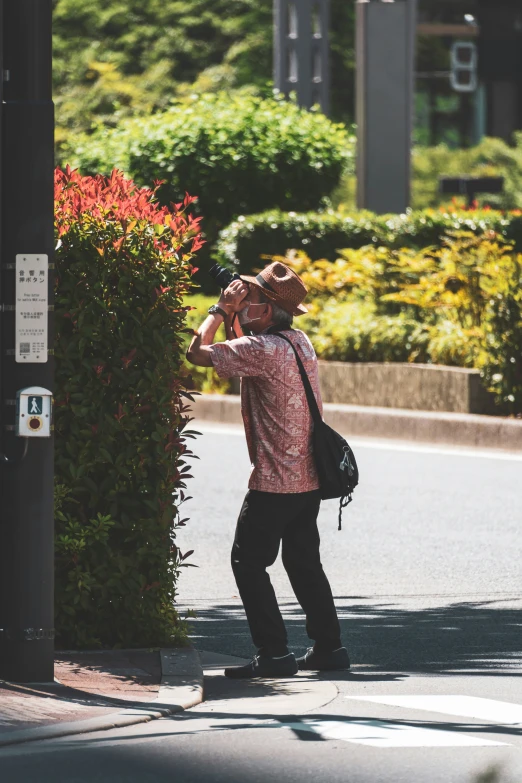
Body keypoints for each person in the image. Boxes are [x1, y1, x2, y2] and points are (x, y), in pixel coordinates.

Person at [187, 261, 350, 679]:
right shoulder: (298, 341)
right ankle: (329, 647)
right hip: (309, 478)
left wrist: (221, 308)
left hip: (274, 481)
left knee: (247, 562)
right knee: (303, 562)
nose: (244, 301)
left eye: (251, 298)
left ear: (266, 310)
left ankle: (274, 653)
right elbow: (239, 349)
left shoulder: (262, 350)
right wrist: (239, 313)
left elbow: (197, 354)